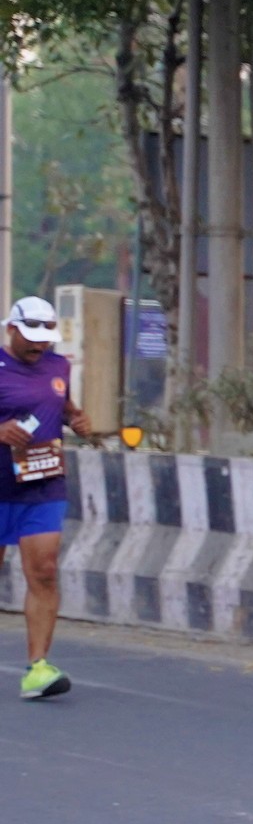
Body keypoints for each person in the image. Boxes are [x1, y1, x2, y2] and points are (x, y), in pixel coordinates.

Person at [0, 296, 87, 699]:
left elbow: (63, 404)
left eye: (45, 337)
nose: (39, 345)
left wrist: (76, 418)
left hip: (42, 484)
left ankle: (38, 669)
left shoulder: (58, 365)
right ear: (11, 330)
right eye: (30, 337)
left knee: (45, 571)